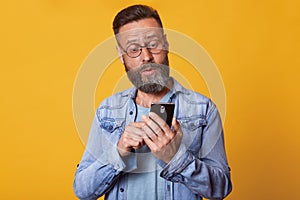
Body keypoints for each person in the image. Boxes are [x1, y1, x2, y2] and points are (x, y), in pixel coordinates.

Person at [73, 4, 232, 200]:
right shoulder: (107, 111)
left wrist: (176, 158)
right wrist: (119, 152)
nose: (146, 57)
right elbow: (82, 190)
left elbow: (221, 189)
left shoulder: (203, 109)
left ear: (166, 45)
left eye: (153, 44)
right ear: (121, 55)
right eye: (133, 49)